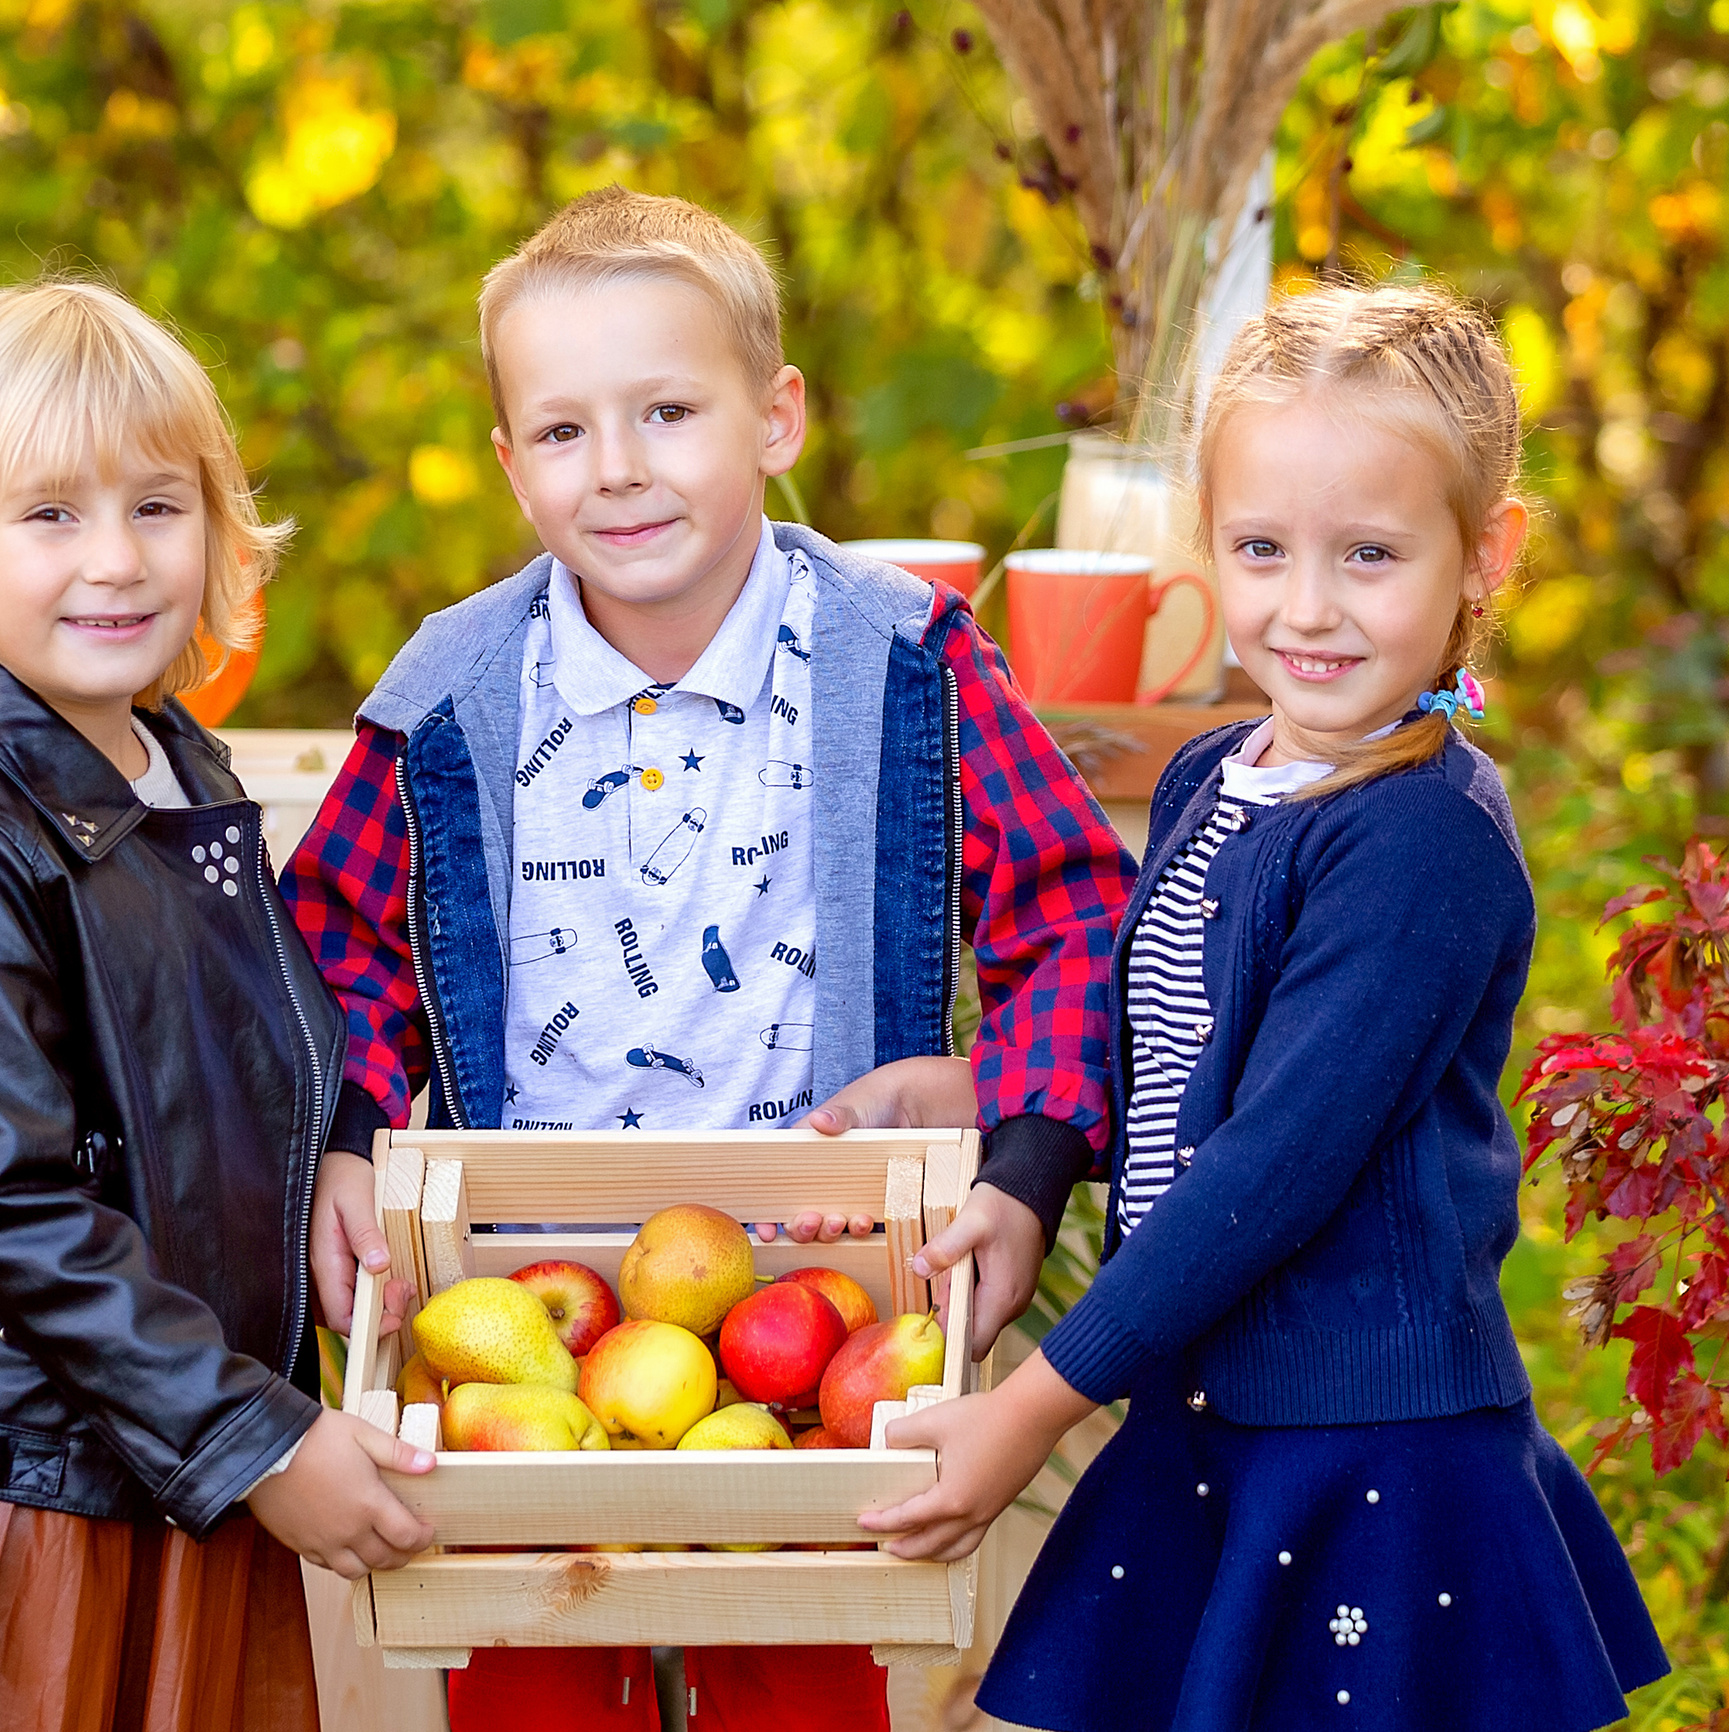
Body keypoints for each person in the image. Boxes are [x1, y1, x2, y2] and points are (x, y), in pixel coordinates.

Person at [280, 187, 1132, 1732]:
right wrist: (347, 1129)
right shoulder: (452, 697)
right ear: (508, 465)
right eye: (561, 431)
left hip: (822, 1281)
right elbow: (331, 941)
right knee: (535, 1670)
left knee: (792, 1670)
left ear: (775, 417)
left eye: (669, 411)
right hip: (520, 1301)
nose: (618, 470)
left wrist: (1022, 1159)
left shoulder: (905, 663)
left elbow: (1076, 918)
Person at [858, 282, 1671, 1731]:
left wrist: (1030, 1406)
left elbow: (1272, 1163)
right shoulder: (1215, 777)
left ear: (1487, 554)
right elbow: (1181, 1055)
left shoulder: (1421, 841)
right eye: (1261, 549)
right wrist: (990, 1099)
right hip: (1216, 1411)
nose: (1308, 607)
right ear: (1206, 547)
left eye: (1369, 554)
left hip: (1371, 1447)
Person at [0, 281, 436, 1732]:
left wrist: (336, 1165)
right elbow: (12, 1209)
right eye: (49, 516)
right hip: (17, 1512)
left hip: (171, 1462)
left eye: (157, 508)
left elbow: (234, 1077)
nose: (114, 560)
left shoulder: (183, 778)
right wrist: (259, 1441)